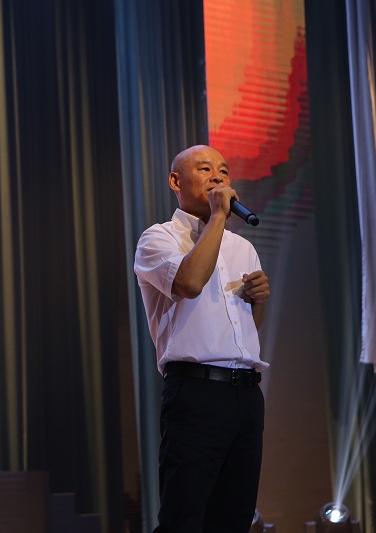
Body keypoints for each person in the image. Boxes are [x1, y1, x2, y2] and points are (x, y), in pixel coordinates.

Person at [134, 145, 270, 532]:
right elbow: (189, 283)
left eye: (223, 171)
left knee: (234, 519)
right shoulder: (157, 239)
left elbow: (246, 332)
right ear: (175, 181)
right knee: (185, 517)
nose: (217, 177)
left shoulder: (243, 248)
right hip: (196, 393)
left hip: (246, 394)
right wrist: (218, 217)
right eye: (205, 168)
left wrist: (258, 300)